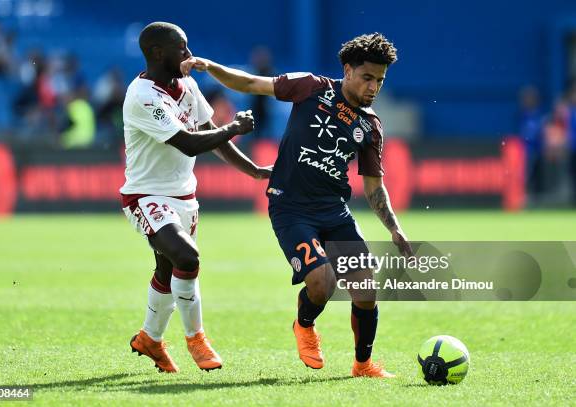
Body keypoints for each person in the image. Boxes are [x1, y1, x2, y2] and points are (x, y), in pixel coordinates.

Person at [182, 33, 413, 378]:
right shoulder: (310, 87)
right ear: (347, 70)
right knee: (322, 282)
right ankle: (304, 325)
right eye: (367, 77)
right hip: (289, 207)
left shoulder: (370, 126)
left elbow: (374, 187)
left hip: (334, 210)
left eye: (380, 80)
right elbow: (249, 82)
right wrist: (208, 66)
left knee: (365, 288)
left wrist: (394, 228)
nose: (373, 87)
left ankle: (363, 365)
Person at [121, 22, 271, 374]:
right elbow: (187, 142)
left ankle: (150, 339)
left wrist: (254, 170)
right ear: (158, 53)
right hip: (146, 195)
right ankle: (197, 339)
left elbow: (208, 133)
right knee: (187, 257)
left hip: (184, 197)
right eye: (182, 49)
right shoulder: (142, 96)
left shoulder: (187, 86)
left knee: (167, 269)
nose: (188, 55)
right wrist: (233, 127)